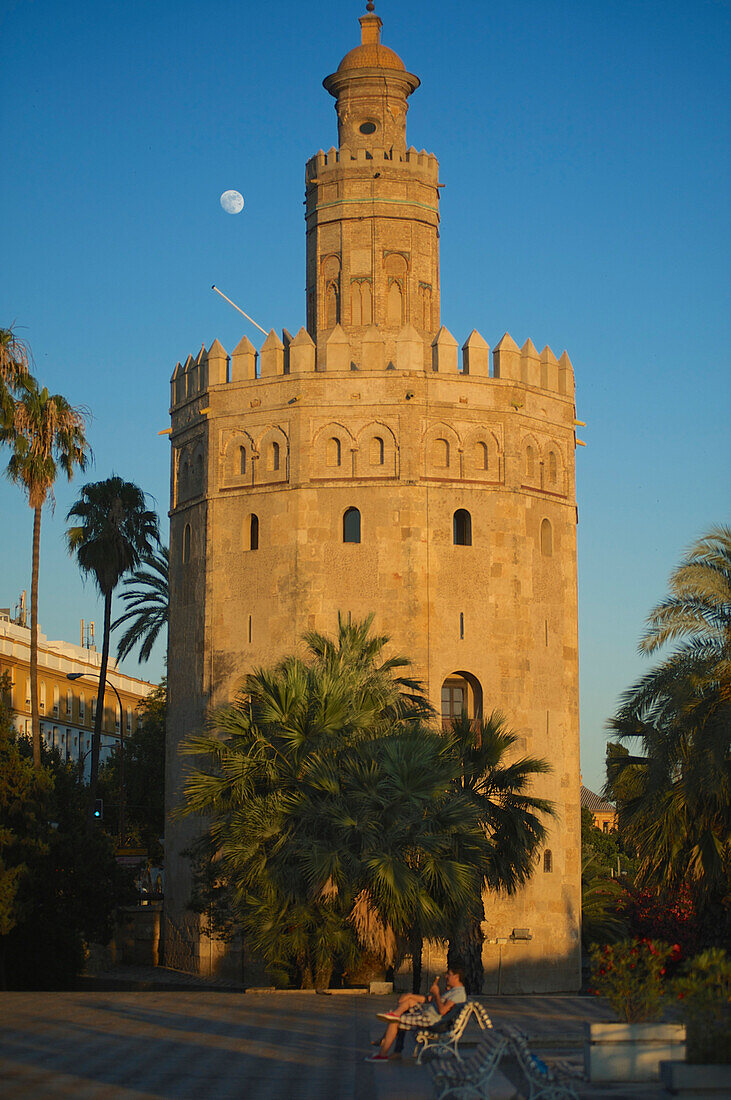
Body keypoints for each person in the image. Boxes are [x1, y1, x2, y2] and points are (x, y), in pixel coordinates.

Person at [364, 962, 467, 1062]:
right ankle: (392, 1030)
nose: (446, 976)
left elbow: (442, 1011)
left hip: (433, 1021)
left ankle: (383, 1053)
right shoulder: (454, 991)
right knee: (409, 1001)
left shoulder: (458, 993)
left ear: (456, 977)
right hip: (429, 1015)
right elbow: (430, 999)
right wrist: (410, 995)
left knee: (394, 1021)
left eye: (449, 974)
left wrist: (437, 994)